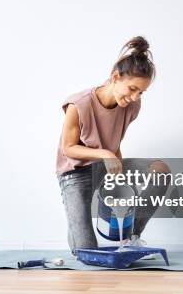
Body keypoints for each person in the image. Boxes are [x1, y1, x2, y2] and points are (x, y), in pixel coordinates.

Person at [55, 36, 169, 254]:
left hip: (105, 164)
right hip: (75, 172)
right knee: (88, 253)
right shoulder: (78, 104)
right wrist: (106, 154)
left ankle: (131, 236)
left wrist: (117, 177)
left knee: (160, 170)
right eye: (132, 88)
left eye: (141, 92)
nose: (135, 97)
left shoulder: (131, 106)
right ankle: (77, 225)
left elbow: (114, 139)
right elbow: (68, 148)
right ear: (115, 77)